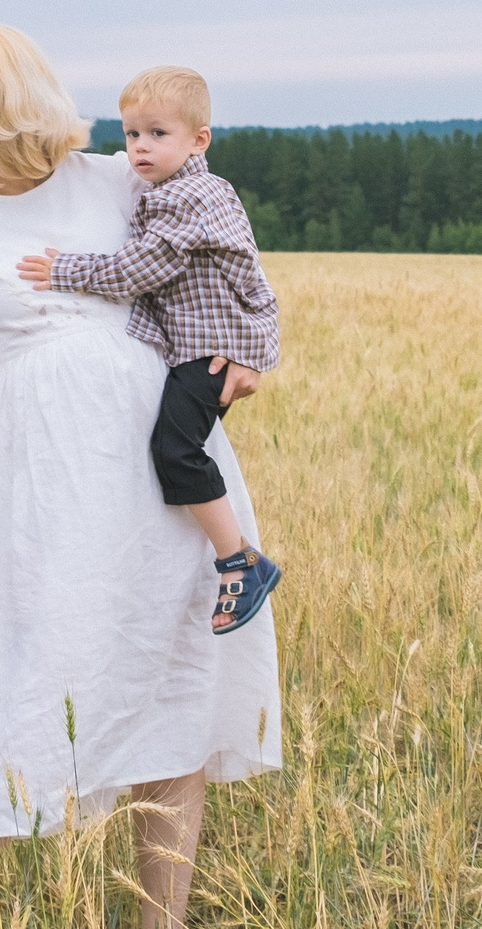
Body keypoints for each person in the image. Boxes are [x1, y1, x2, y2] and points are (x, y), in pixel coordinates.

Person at [0, 26, 283, 929]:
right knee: (18, 688)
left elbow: (227, 263)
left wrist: (246, 357)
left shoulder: (121, 178)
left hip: (156, 462)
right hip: (39, 481)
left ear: (4, 107)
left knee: (171, 682)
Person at [16, 65, 284, 633]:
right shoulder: (202, 190)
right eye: (132, 134)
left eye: (157, 134)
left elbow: (141, 270)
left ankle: (241, 562)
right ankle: (236, 558)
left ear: (199, 140)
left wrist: (66, 269)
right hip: (208, 351)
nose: (140, 147)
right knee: (174, 450)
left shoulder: (182, 199)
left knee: (176, 453)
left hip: (206, 356)